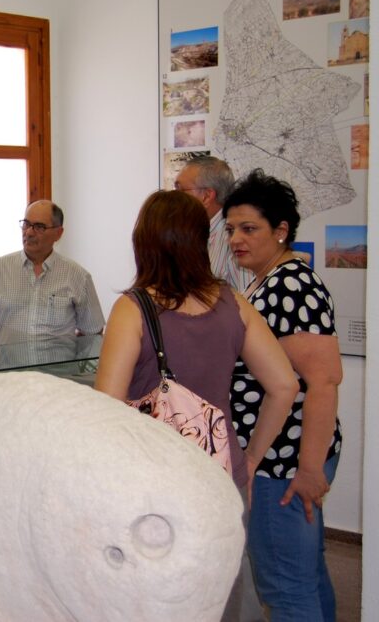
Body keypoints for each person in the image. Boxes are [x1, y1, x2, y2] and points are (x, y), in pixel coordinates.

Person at [94, 189, 297, 622]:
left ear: (144, 241)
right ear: (200, 240)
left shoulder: (133, 310)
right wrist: (253, 457)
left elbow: (104, 412)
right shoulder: (233, 302)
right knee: (221, 593)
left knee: (154, 600)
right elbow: (284, 385)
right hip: (223, 474)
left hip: (152, 486)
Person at [224, 170, 344, 622]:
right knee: (305, 576)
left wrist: (310, 469)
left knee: (285, 587)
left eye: (250, 229)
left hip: (284, 463)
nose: (237, 239)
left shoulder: (290, 286)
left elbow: (324, 380)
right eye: (232, 228)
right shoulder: (266, 282)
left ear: (281, 231)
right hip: (284, 459)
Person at [0, 200, 104, 348]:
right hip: (10, 369)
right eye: (26, 224)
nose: (29, 232)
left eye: (39, 227)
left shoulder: (78, 276)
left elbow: (93, 331)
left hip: (59, 370)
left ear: (58, 233)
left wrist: (73, 358)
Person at [175, 156, 253, 292]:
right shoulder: (195, 234)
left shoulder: (235, 239)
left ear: (206, 196)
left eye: (181, 191)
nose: (174, 198)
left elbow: (249, 302)